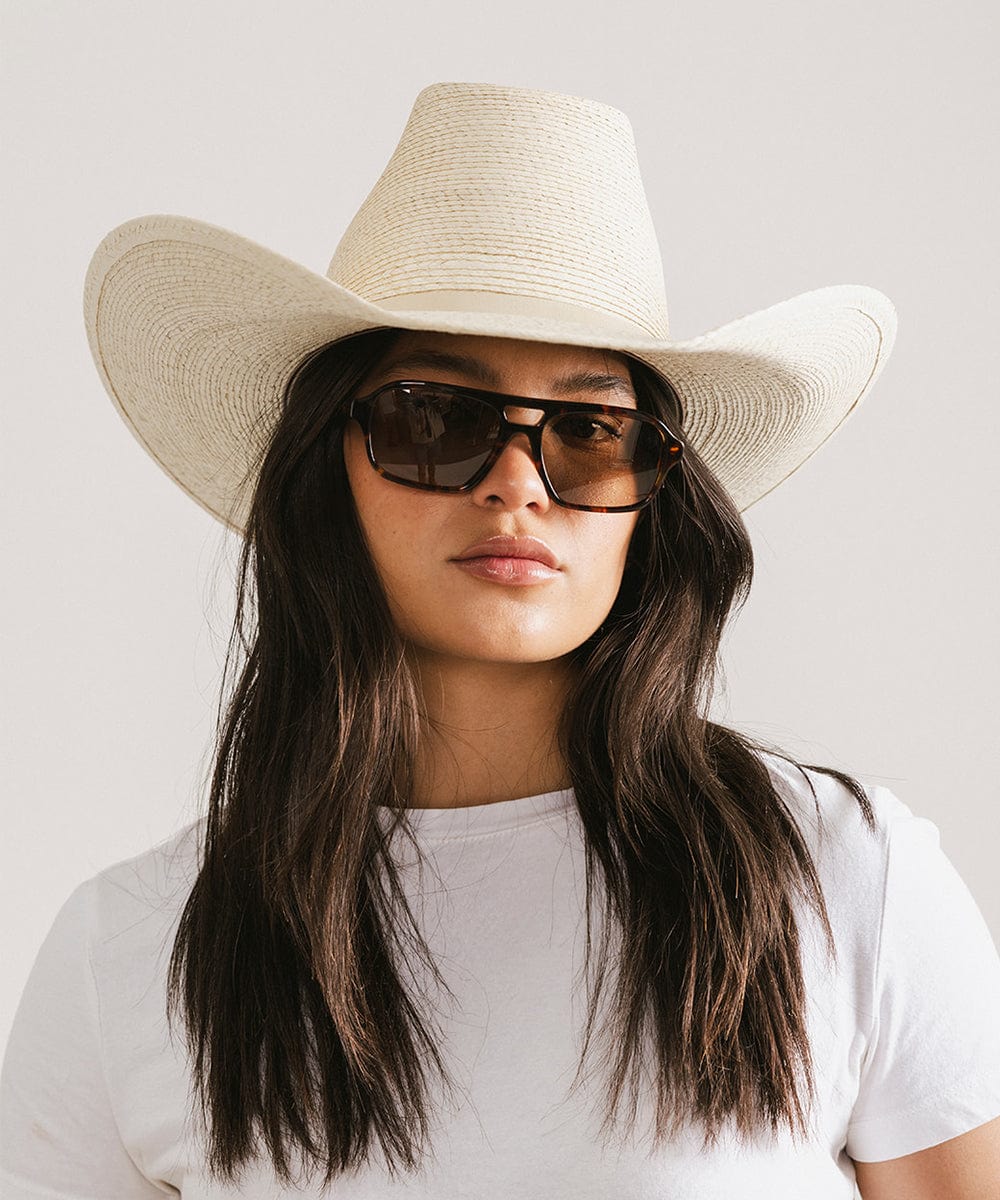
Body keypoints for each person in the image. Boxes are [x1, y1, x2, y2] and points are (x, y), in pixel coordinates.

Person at [2, 82, 1000, 1199]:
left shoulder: (842, 878)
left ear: (653, 495)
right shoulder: (132, 950)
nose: (517, 484)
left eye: (590, 431)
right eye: (435, 420)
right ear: (325, 475)